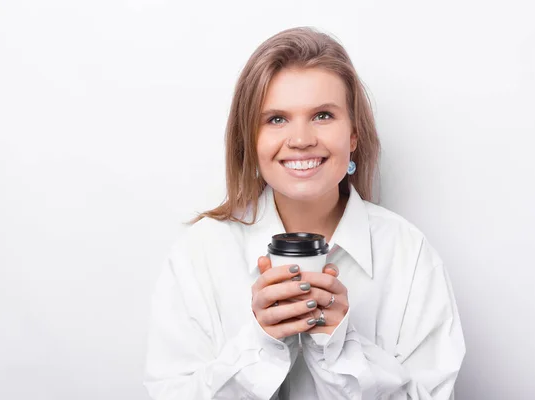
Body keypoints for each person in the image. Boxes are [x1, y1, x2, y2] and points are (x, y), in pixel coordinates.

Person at [143, 26, 465, 400]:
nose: (300, 139)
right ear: (250, 138)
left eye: (323, 116)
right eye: (276, 118)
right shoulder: (200, 254)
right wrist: (260, 346)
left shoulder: (409, 255)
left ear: (354, 135)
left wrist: (341, 348)